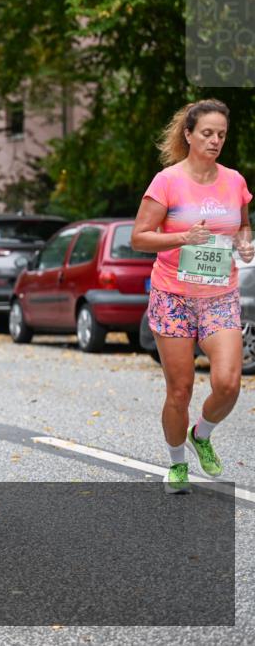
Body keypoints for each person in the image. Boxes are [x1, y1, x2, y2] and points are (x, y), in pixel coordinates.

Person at [130, 99, 253, 494]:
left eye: (221, 134)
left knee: (229, 382)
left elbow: (242, 228)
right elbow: (139, 238)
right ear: (188, 134)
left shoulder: (234, 181)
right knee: (179, 389)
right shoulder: (167, 181)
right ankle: (177, 463)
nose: (215, 140)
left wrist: (246, 245)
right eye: (207, 133)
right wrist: (184, 236)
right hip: (173, 295)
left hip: (219, 294)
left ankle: (202, 433)